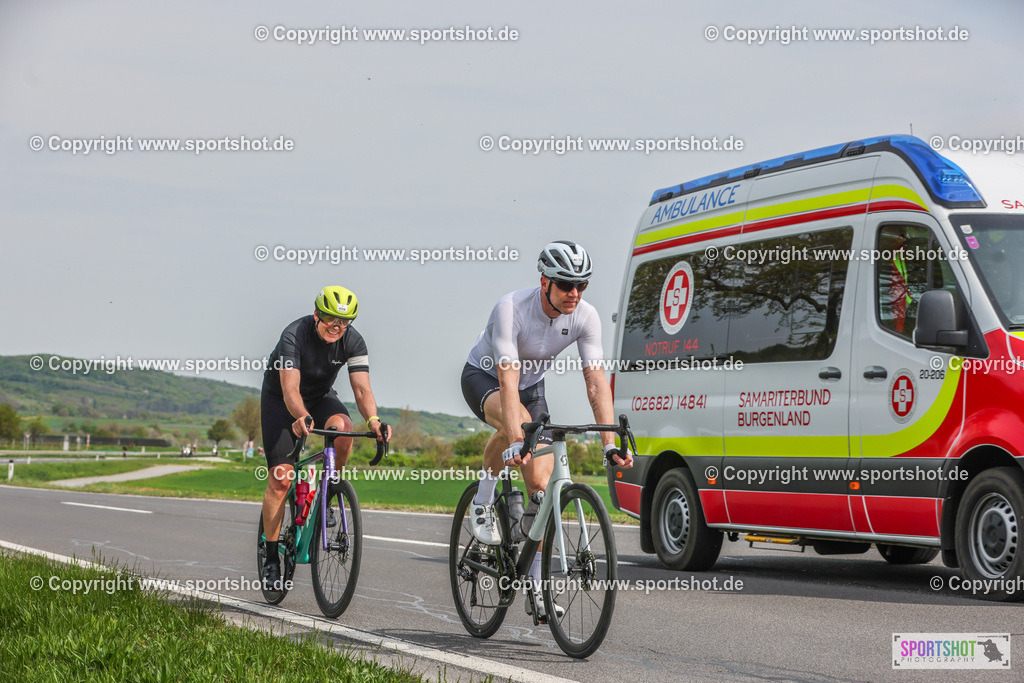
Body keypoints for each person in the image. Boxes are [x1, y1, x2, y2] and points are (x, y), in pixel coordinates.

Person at [460, 240, 633, 619]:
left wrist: (608, 441)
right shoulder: (511, 309)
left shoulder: (586, 317)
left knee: (540, 489)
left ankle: (535, 588)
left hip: (531, 387)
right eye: (566, 284)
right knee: (516, 425)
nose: (575, 293)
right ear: (544, 282)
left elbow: (595, 381)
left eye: (582, 285)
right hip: (486, 376)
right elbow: (507, 377)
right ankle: (482, 501)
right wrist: (519, 439)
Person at [260, 286, 391, 590]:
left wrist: (373, 421)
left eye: (344, 322)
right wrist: (300, 416)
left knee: (343, 427)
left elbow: (361, 389)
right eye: (331, 319)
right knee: (281, 479)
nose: (337, 327)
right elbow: (291, 389)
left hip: (319, 397)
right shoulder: (294, 335)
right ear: (317, 314)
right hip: (281, 402)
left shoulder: (353, 341)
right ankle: (270, 558)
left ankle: (329, 489)